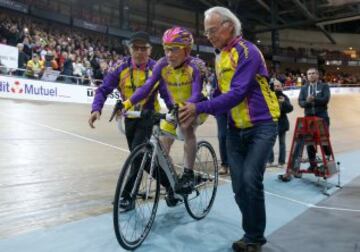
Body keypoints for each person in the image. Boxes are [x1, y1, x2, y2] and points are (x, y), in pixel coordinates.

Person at [179, 7, 279, 252]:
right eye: (207, 32)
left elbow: (237, 93)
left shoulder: (248, 51)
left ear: (229, 26)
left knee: (249, 180)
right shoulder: (220, 56)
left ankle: (254, 237)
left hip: (262, 125)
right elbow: (220, 93)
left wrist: (200, 107)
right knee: (237, 186)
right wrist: (197, 108)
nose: (209, 35)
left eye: (212, 30)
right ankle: (252, 233)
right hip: (236, 128)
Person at [121, 26, 206, 197]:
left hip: (196, 105)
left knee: (185, 127)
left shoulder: (195, 66)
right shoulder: (162, 65)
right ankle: (173, 182)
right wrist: (127, 103)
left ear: (187, 50)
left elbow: (196, 92)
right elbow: (147, 87)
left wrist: (186, 106)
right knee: (163, 144)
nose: (169, 54)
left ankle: (188, 174)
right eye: (167, 49)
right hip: (176, 107)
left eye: (174, 49)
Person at [88, 31, 161, 211]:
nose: (139, 52)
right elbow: (104, 89)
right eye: (135, 48)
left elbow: (166, 91)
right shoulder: (120, 67)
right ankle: (170, 185)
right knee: (142, 158)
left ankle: (128, 195)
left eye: (143, 48)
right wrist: (96, 109)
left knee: (136, 155)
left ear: (149, 50)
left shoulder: (156, 68)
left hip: (148, 116)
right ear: (130, 49)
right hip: (129, 118)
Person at [299, 67, 331, 170]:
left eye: (313, 73)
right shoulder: (304, 88)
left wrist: (314, 99)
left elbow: (325, 99)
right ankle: (313, 164)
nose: (311, 75)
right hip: (309, 118)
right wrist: (307, 102)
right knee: (310, 142)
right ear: (307, 76)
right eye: (309, 74)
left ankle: (327, 158)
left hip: (322, 117)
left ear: (317, 75)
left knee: (323, 140)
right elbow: (301, 102)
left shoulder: (324, 86)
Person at [267, 80, 293, 168]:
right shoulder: (269, 96)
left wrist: (283, 103)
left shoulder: (284, 97)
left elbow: (290, 109)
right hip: (270, 123)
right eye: (275, 86)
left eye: (278, 86)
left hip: (282, 123)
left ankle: (281, 162)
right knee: (269, 143)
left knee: (282, 143)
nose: (277, 87)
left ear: (281, 87)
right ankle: (270, 160)